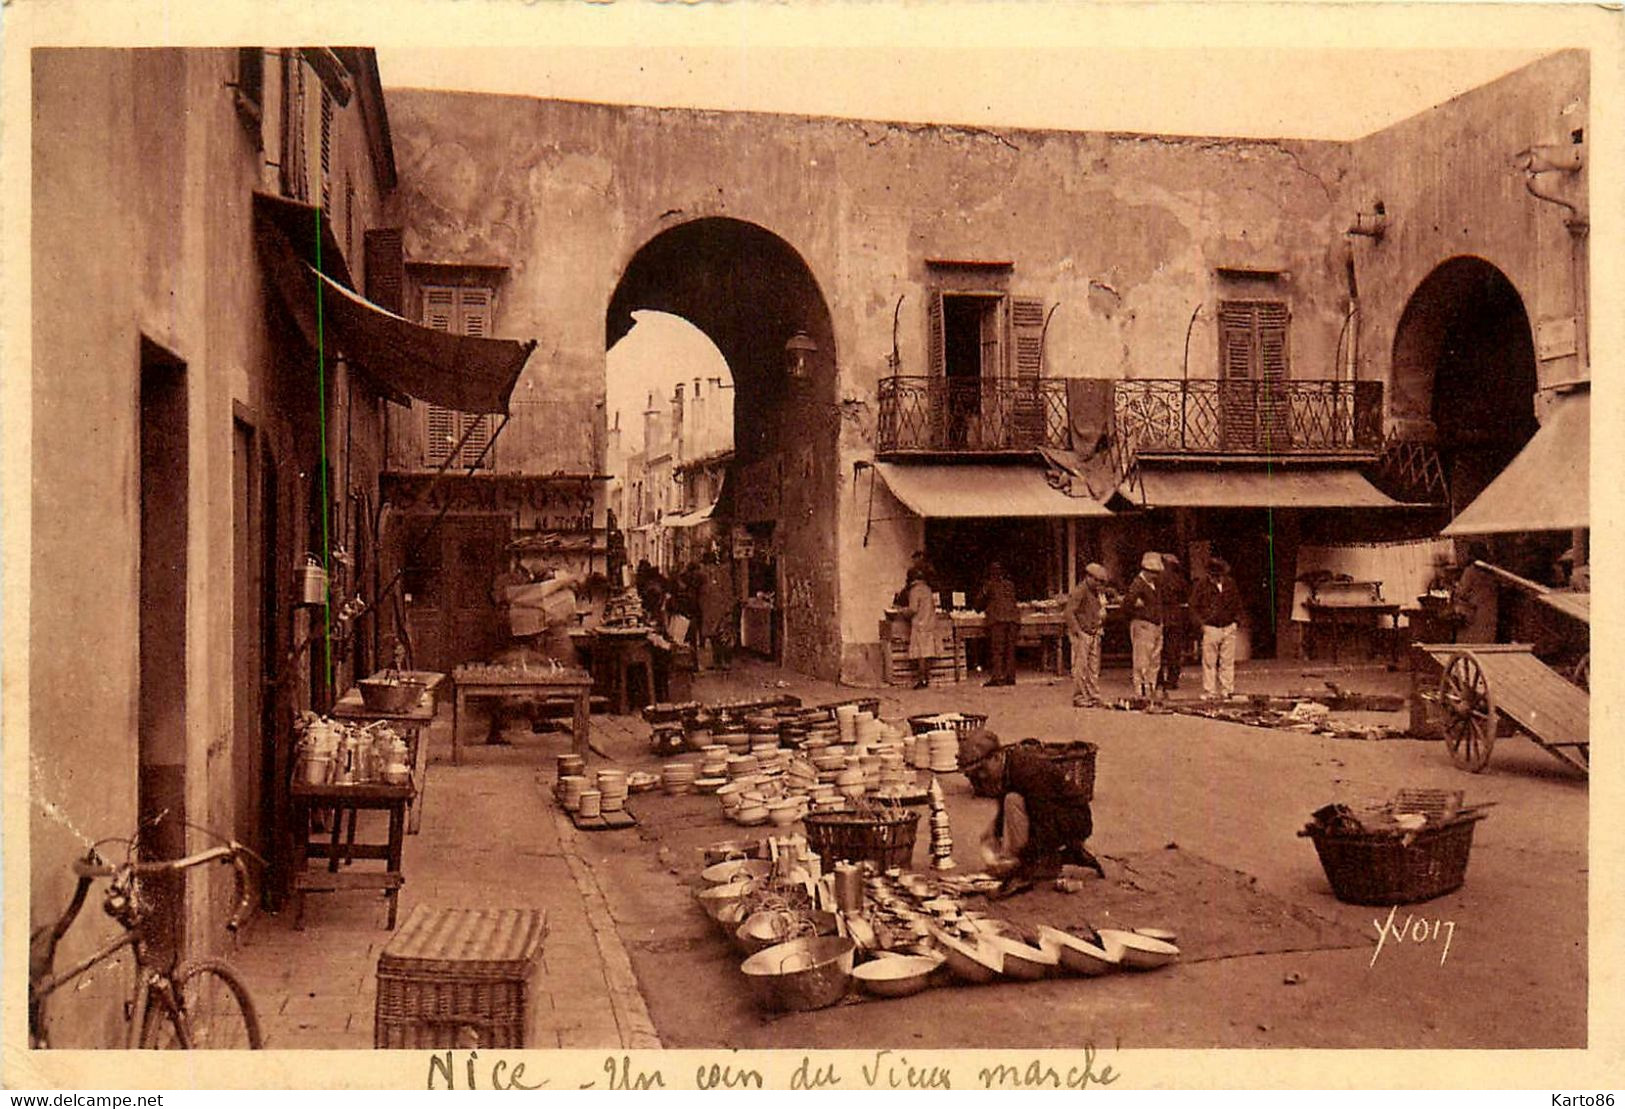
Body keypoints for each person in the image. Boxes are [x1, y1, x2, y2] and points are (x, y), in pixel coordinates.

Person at [956, 729, 1105, 898]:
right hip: (1049, 817)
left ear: (996, 758)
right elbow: (1006, 814)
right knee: (1005, 810)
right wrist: (993, 836)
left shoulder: (1027, 771)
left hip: (1072, 821)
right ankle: (1039, 862)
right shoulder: (1007, 768)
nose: (980, 777)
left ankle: (1039, 865)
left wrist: (1020, 864)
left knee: (1013, 800)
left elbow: (1042, 823)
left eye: (981, 770)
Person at [1190, 555, 1242, 700]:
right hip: (1211, 626)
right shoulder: (1201, 585)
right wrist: (1201, 624)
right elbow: (1193, 606)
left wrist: (1236, 621)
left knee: (1227, 660)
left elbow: (1237, 603)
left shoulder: (1230, 584)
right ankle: (1210, 690)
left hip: (1228, 625)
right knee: (1209, 661)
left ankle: (1227, 689)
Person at [1062, 562, 1110, 707]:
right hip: (1083, 632)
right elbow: (1069, 612)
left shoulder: (1095, 592)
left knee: (1093, 667)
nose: (1099, 584)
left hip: (1093, 631)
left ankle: (1093, 695)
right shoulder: (1080, 590)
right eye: (1097, 580)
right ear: (1089, 577)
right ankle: (1079, 696)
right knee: (1081, 667)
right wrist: (1078, 631)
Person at [1125, 551, 1165, 700]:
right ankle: (1141, 690)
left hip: (1155, 624)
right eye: (1153, 572)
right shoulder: (1137, 584)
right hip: (1143, 624)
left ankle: (1150, 688)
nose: (1156, 575)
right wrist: (1137, 611)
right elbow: (1127, 604)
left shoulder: (1154, 584)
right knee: (1142, 659)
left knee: (1154, 659)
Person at [976, 561, 1020, 686]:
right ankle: (1010, 677)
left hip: (998, 619)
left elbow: (980, 601)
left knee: (998, 649)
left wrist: (978, 609)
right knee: (1010, 649)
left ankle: (997, 678)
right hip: (1013, 619)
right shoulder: (1010, 585)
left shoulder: (989, 585)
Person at [1452, 544, 1499, 643]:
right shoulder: (1492, 571)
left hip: (1474, 614)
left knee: (1470, 643)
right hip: (1490, 613)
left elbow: (1461, 592)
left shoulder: (1470, 571)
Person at [903, 567, 941, 689]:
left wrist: (903, 612)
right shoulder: (927, 589)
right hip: (930, 623)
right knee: (928, 652)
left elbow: (913, 609)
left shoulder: (915, 591)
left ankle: (922, 680)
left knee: (921, 654)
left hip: (920, 624)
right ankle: (927, 678)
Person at [1158, 552, 1189, 693]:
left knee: (1158, 650)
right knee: (1174, 651)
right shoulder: (1179, 579)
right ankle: (1172, 680)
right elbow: (1186, 594)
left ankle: (1159, 679)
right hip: (1175, 618)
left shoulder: (1157, 579)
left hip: (1161, 617)